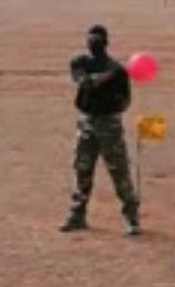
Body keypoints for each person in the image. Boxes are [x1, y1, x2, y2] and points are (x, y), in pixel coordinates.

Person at [59, 25, 142, 236]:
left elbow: (125, 101)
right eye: (91, 40)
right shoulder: (82, 63)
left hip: (109, 125)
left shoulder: (118, 71)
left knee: (119, 171)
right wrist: (109, 75)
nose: (93, 44)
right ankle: (77, 215)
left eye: (96, 40)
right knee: (82, 169)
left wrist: (110, 108)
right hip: (86, 123)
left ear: (105, 43)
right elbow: (85, 83)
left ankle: (131, 217)